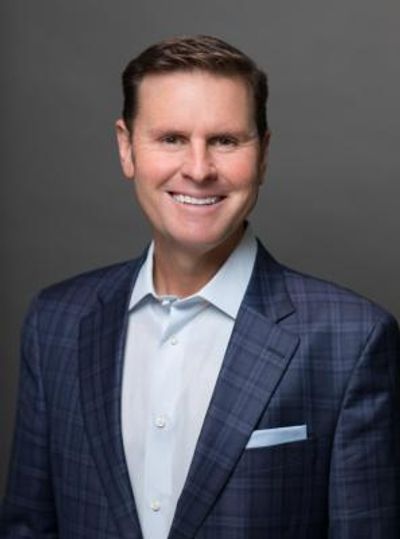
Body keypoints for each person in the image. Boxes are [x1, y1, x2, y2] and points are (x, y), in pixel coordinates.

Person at [1, 35, 399, 539]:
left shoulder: (352, 340)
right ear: (126, 147)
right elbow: (28, 527)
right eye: (171, 138)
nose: (198, 169)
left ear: (263, 154)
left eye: (225, 141)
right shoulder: (55, 323)